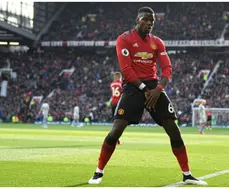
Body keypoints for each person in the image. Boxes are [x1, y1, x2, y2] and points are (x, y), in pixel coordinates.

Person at [88, 6, 207, 186]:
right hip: (133, 86)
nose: (149, 23)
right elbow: (126, 70)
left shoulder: (157, 42)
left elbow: (167, 68)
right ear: (137, 20)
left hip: (153, 86)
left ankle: (187, 174)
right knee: (116, 130)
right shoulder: (124, 39)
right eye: (146, 19)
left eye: (152, 20)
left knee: (173, 128)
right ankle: (98, 171)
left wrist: (158, 89)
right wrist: (145, 90)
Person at [110, 72, 123, 145]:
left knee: (115, 121)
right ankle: (115, 138)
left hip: (113, 104)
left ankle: (115, 138)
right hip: (119, 104)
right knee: (120, 122)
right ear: (119, 77)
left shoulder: (112, 84)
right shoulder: (121, 83)